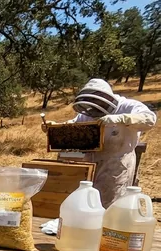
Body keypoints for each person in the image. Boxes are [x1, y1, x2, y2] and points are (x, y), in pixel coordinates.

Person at [42, 78, 156, 207]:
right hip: (88, 163)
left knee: (111, 203)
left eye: (96, 101)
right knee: (86, 203)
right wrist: (53, 128)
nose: (94, 105)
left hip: (117, 164)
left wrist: (122, 118)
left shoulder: (128, 106)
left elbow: (150, 119)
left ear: (105, 97)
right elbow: (73, 126)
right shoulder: (89, 113)